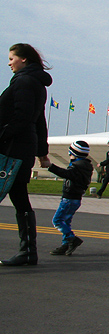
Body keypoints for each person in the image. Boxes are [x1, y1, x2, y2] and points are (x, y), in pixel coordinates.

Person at [0, 43, 52, 266]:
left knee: (19, 196)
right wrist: (42, 152)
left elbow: (21, 118)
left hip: (13, 148)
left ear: (23, 59)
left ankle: (29, 251)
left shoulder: (23, 82)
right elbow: (39, 120)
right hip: (23, 148)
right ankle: (28, 251)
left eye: (11, 58)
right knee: (19, 196)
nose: (9, 63)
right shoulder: (36, 83)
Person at [47, 141, 93, 256]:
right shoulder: (84, 166)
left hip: (69, 198)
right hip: (75, 198)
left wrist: (50, 166)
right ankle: (66, 244)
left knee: (57, 221)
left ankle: (72, 239)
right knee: (66, 222)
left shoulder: (78, 167)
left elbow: (66, 173)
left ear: (73, 153)